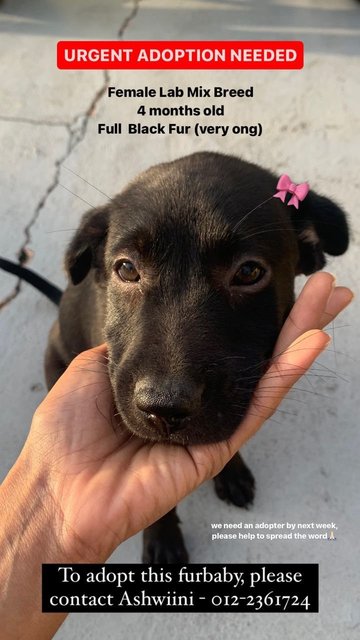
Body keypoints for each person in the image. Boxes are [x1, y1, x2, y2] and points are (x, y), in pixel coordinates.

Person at [0, 272, 353, 640]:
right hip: (84, 369)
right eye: (127, 270)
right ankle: (161, 526)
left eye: (247, 273)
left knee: (224, 412)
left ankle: (225, 459)